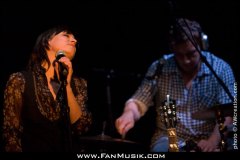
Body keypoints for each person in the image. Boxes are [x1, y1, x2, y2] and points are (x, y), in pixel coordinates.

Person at [115, 18, 235, 152]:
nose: (186, 60)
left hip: (209, 139)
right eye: (179, 55)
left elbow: (227, 113)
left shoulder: (221, 69)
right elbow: (139, 100)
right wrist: (129, 113)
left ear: (202, 45)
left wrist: (212, 141)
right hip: (170, 138)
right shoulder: (160, 67)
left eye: (191, 54)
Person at [2, 25, 92, 152]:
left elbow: (80, 127)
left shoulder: (79, 84)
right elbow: (10, 132)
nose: (74, 41)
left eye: (75, 38)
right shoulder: (20, 80)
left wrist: (66, 86)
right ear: (47, 42)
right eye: (66, 35)